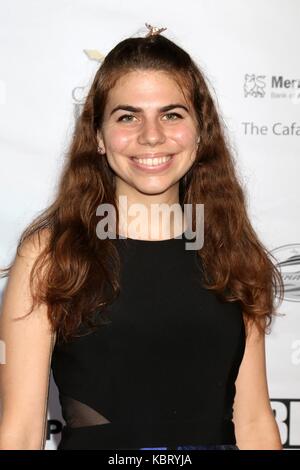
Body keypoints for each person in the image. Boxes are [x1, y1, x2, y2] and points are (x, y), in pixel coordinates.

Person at [0, 23, 284, 450]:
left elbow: (255, 423)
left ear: (201, 130)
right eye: (128, 116)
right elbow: (19, 433)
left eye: (171, 114)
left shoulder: (230, 249)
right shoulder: (51, 254)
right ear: (97, 136)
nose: (151, 136)